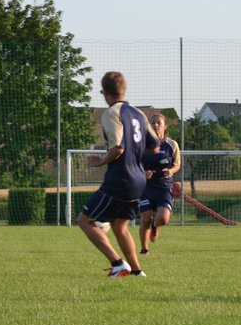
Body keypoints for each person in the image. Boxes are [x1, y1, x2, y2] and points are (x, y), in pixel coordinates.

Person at [77, 71, 156, 277]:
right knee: (120, 225)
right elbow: (154, 147)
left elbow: (118, 148)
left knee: (85, 220)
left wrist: (101, 161)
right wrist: (135, 155)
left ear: (104, 92)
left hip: (120, 179)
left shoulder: (111, 113)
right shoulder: (139, 113)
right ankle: (137, 271)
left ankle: (118, 263)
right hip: (138, 180)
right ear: (124, 90)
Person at [138, 113, 181, 255]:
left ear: (165, 126)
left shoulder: (172, 144)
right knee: (146, 217)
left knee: (162, 219)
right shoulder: (141, 144)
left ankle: (155, 225)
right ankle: (144, 249)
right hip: (146, 186)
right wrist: (143, 173)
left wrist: (170, 171)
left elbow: (177, 164)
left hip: (164, 186)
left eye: (158, 123)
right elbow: (133, 164)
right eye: (152, 123)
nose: (155, 125)